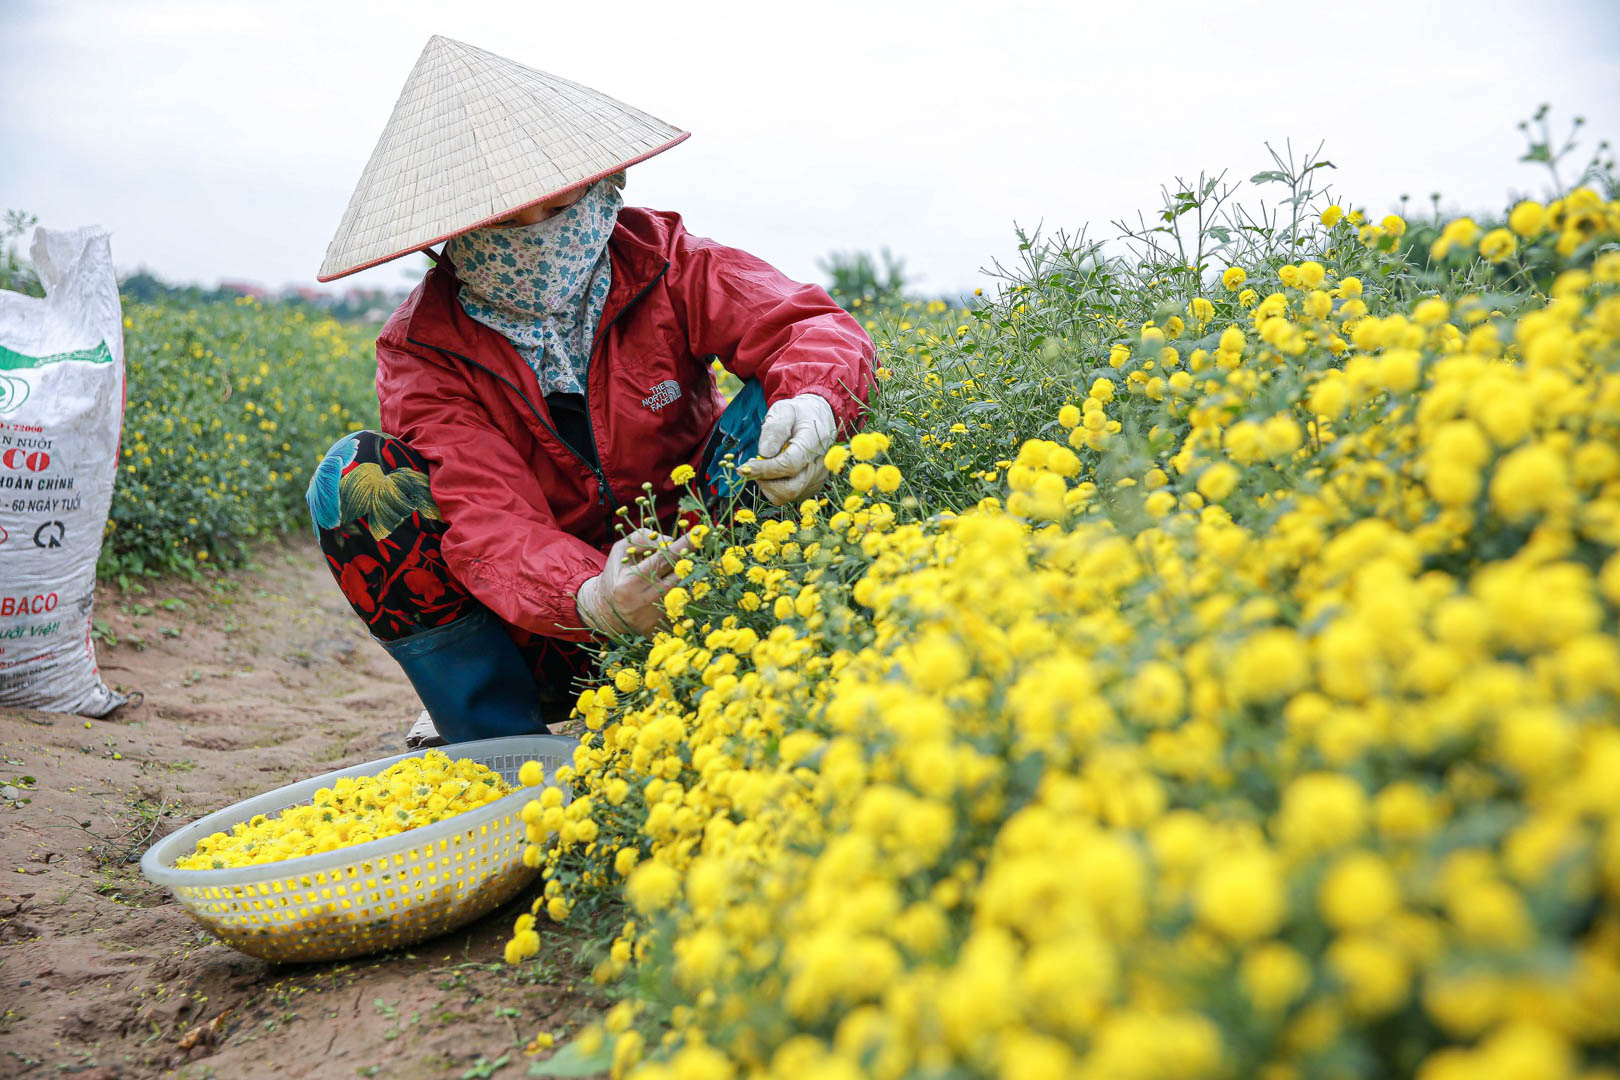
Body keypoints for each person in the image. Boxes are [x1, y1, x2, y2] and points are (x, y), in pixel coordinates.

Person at [306, 36, 877, 747]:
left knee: (792, 398)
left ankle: (767, 643)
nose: (535, 238)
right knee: (355, 481)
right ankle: (499, 741)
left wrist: (816, 407)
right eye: (501, 225)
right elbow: (487, 515)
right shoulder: (425, 347)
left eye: (556, 208)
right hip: (555, 623)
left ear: (605, 190)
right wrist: (596, 596)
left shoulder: (667, 261)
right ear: (449, 239)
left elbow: (807, 326)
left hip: (703, 568)